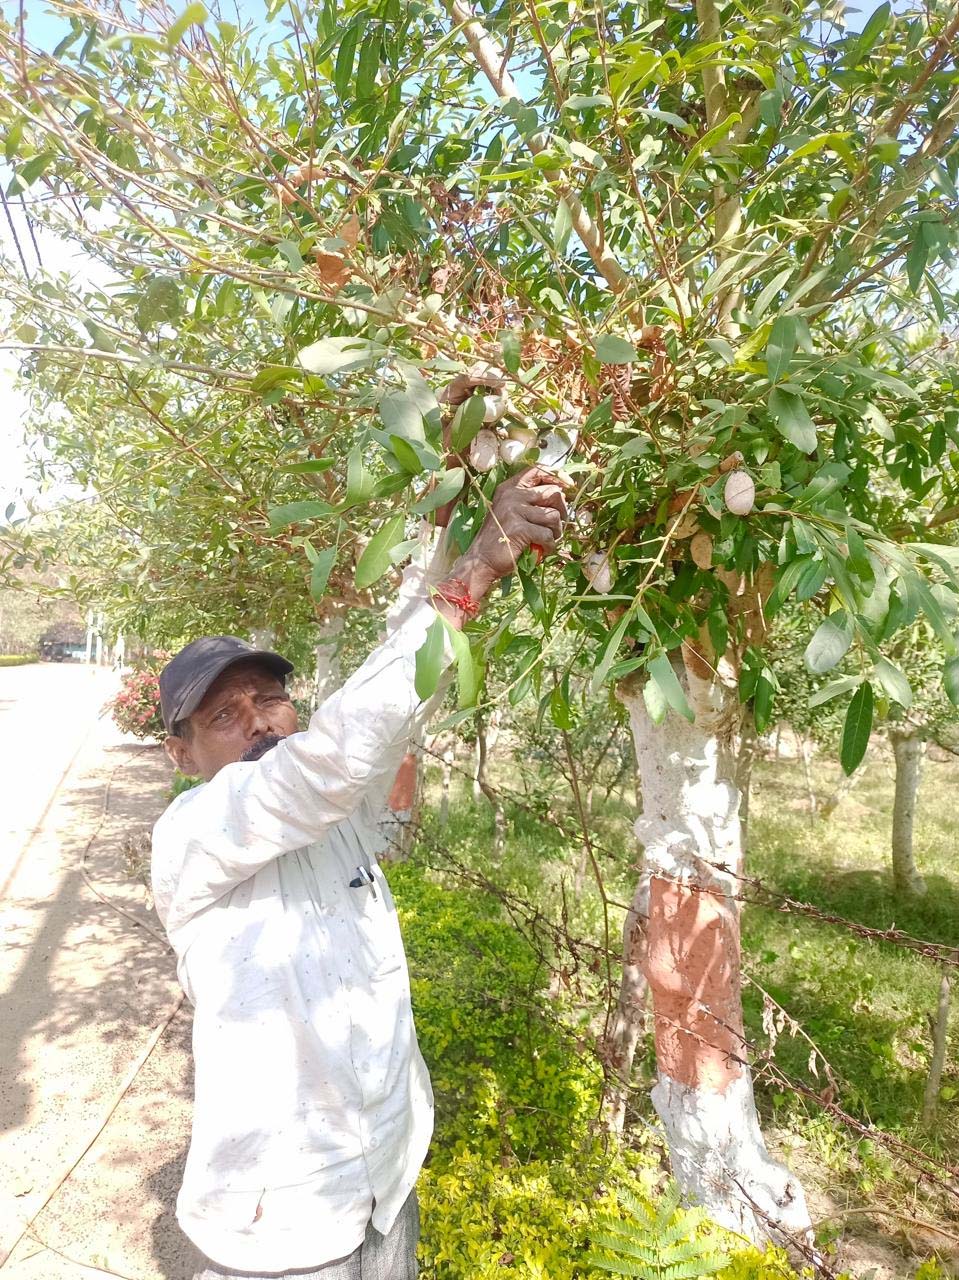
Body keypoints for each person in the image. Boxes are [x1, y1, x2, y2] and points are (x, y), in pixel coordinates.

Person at [151, 466, 569, 1280]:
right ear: (182, 753)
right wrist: (472, 575)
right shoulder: (193, 831)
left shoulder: (333, 816)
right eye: (223, 716)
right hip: (283, 1215)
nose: (258, 724)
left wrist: (447, 502)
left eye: (268, 699)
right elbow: (335, 756)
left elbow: (395, 698)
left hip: (386, 1174)